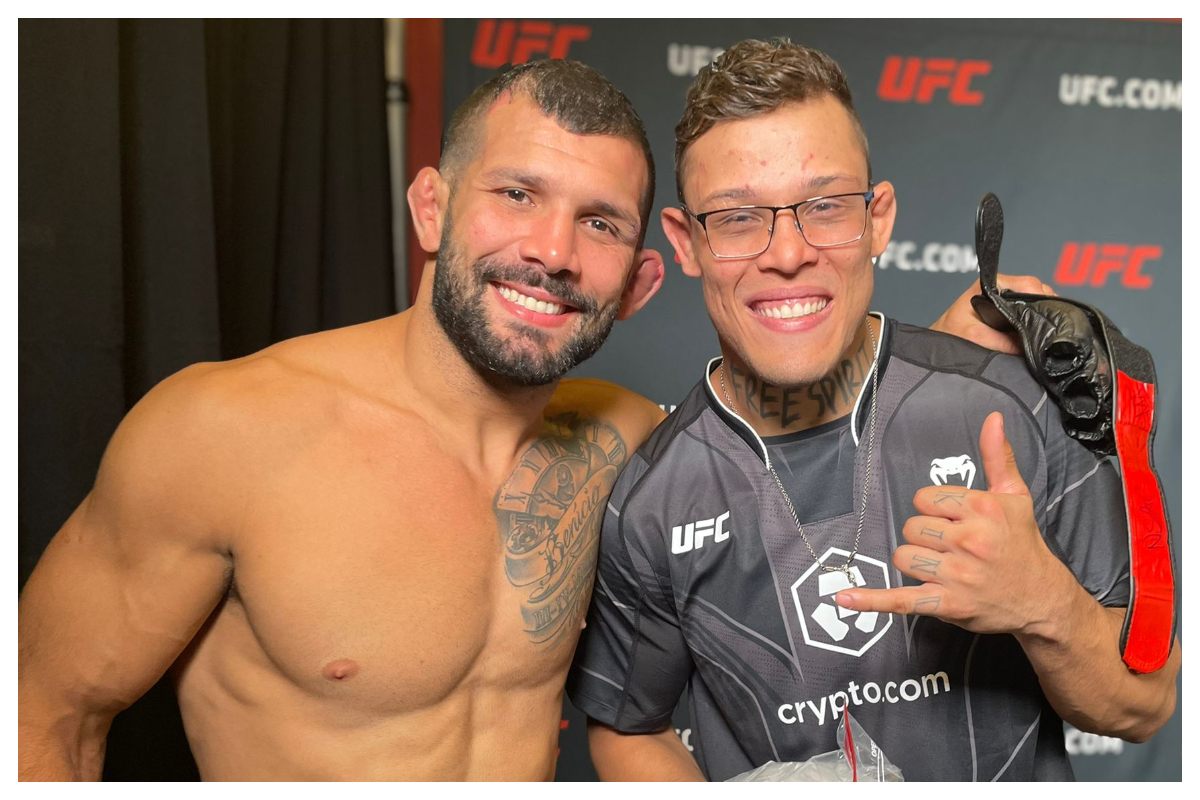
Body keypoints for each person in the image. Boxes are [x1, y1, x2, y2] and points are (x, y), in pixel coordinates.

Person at [19, 57, 1036, 781]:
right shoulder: (224, 432)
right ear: (431, 208)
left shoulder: (632, 445)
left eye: (598, 222)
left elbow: (806, 410)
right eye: (517, 194)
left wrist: (952, 351)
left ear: (639, 282)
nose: (552, 251)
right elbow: (42, 717)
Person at [567, 39, 1180, 782]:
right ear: (686, 242)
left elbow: (1143, 706)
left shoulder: (1011, 406)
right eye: (736, 218)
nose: (786, 254)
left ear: (878, 219)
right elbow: (629, 728)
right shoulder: (651, 498)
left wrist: (1043, 604)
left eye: (825, 207)